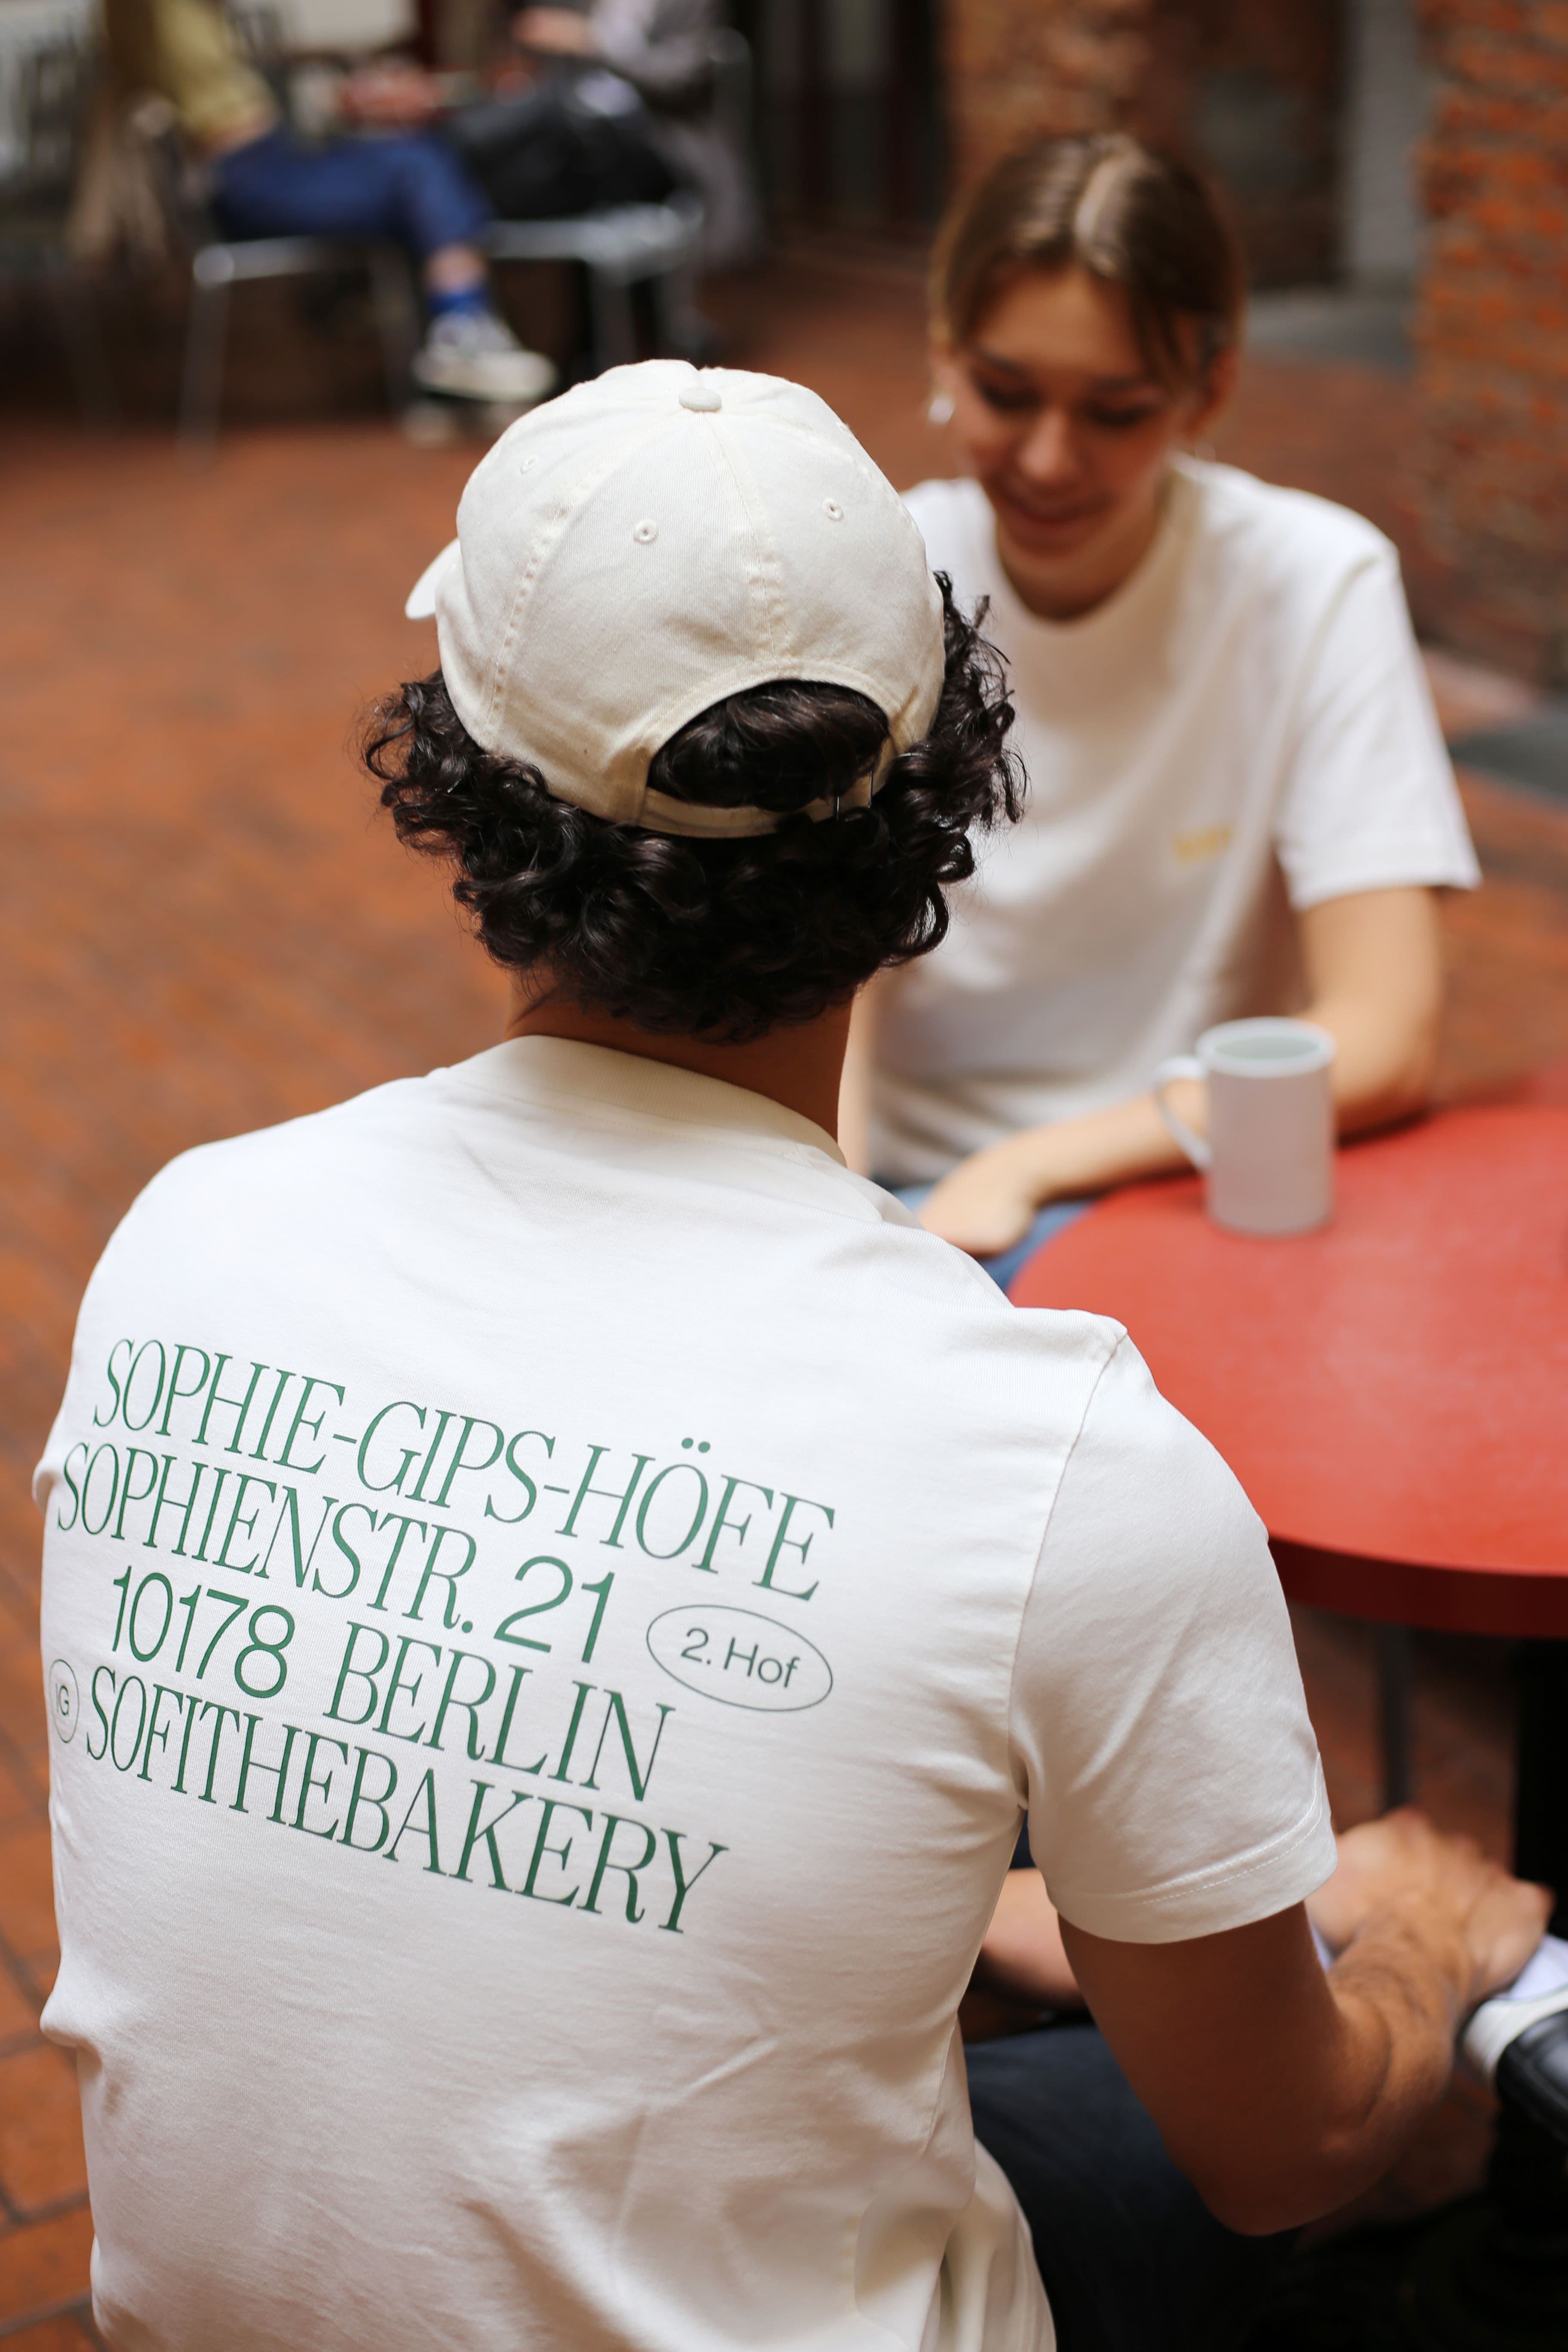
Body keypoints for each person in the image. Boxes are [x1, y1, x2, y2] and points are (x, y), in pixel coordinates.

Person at [37, 362, 1547, 2352]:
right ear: (934, 789)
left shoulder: (186, 1239)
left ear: (461, 784)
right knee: (1358, 2137)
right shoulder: (1048, 1448)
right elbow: (1288, 2138)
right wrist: (1429, 1940)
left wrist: (995, 1902)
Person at [841, 134, 1479, 1291]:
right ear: (945, 348)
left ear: (1210, 389)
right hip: (906, 1212)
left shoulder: (1312, 581)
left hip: (1183, 1197)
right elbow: (828, 975)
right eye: (1004, 392)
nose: (1047, 458)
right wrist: (830, 1230)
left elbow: (1387, 1035)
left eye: (1117, 411)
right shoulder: (878, 570)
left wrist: (1036, 1164)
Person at [94, 0, 555, 405]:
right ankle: (462, 325)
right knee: (417, 164)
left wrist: (335, 67)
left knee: (411, 165)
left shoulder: (157, 18)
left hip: (249, 171)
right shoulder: (162, 14)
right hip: (249, 180)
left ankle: (442, 330)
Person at [515, 0, 760, 264]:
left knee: (509, 131)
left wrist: (593, 43)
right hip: (573, 136)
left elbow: (681, 79)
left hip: (653, 138)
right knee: (518, 136)